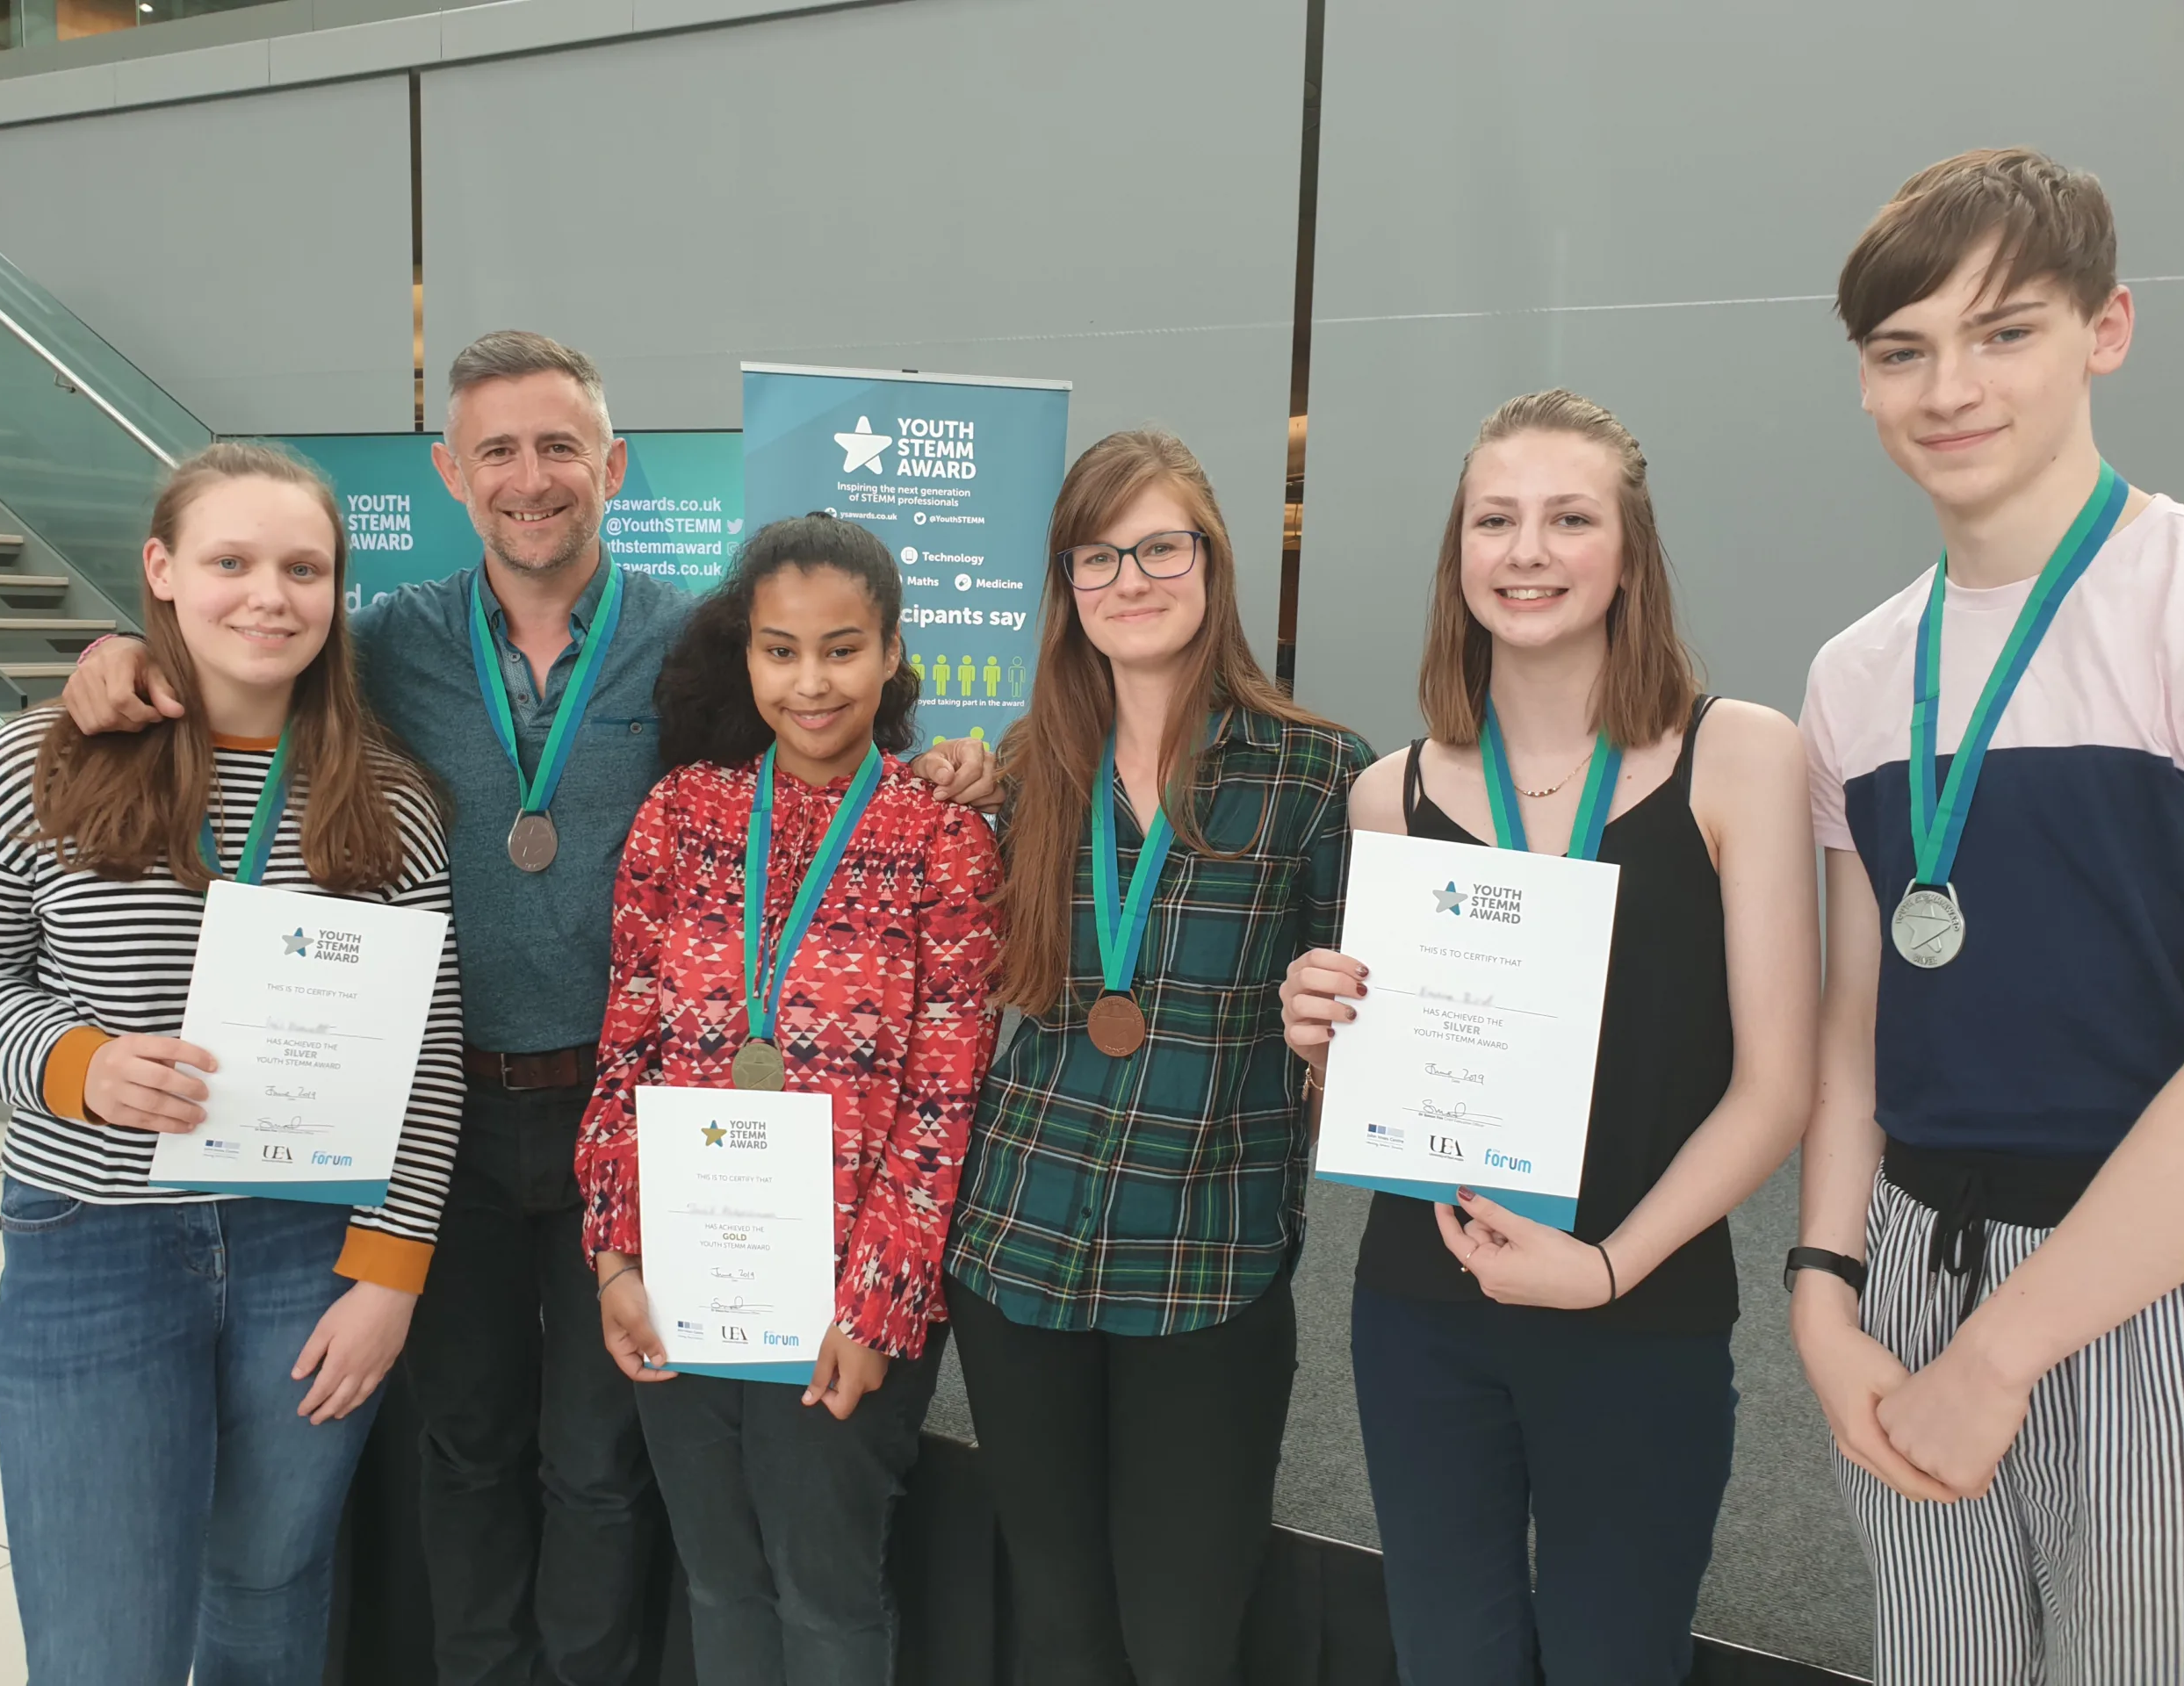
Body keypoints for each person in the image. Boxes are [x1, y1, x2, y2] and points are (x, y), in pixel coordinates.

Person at [58, 333, 998, 1686]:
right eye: (496, 448)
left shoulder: (693, 641)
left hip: (628, 1121)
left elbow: (822, 764)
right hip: (436, 1106)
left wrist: (959, 764)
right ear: (452, 472)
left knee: (603, 1458)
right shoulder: (382, 645)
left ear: (613, 468)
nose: (531, 477)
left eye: (561, 446)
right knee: (464, 1443)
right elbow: (237, 672)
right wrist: (109, 653)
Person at [1279, 391, 1816, 1684]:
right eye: (1496, 519)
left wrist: (1610, 1267)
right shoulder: (1390, 795)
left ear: (1630, 552)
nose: (1527, 551)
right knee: (1446, 1661)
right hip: (1425, 1310)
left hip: (1641, 1307)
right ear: (1457, 554)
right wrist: (1322, 1043)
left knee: (1613, 1662)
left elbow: (1778, 1087)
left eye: (1569, 519)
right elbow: (1391, 1087)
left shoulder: (1737, 758)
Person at [0, 442, 463, 1685]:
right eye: (231, 560)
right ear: (162, 570)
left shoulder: (384, 798)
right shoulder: (34, 764)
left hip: (310, 1252)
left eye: (304, 567)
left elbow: (427, 1061)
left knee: (270, 1605)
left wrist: (390, 1276)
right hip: (95, 1244)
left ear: (339, 592)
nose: (269, 596)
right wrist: (77, 1064)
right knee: (105, 1636)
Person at [1793, 148, 2184, 1683]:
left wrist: (2005, 1353)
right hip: (1910, 1269)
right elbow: (1856, 1015)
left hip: (2145, 1285)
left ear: (2108, 330)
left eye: (2004, 330)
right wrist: (1826, 1291)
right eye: (1903, 352)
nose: (1948, 387)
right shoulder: (1855, 674)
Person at [941, 429, 1371, 1685]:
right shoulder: (1023, 773)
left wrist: (1334, 1036)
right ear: (1066, 586)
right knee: (1064, 1628)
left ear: (1213, 560)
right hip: (1019, 1244)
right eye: (1096, 556)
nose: (1130, 578)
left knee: (1184, 1638)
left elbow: (1360, 1053)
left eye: (1159, 546)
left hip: (1207, 1255)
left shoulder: (1316, 772)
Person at [578, 514, 1001, 1684]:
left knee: (826, 1596)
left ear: (891, 650)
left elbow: (943, 1101)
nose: (811, 682)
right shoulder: (682, 817)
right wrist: (617, 1259)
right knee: (719, 1579)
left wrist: (875, 1308)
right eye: (780, 650)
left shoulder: (945, 841)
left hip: (844, 1301)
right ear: (747, 655)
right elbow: (627, 1054)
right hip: (686, 1275)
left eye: (841, 648)